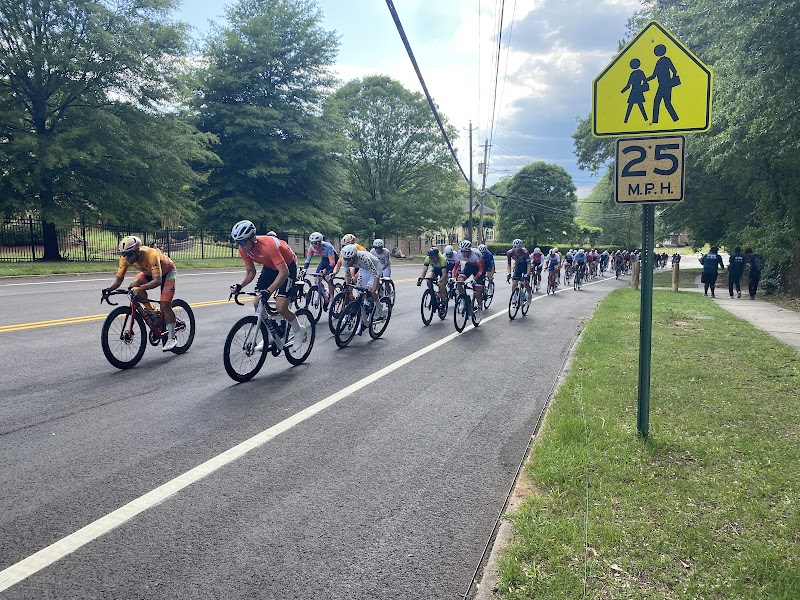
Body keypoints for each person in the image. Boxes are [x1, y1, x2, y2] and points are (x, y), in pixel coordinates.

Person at [229, 220, 308, 350]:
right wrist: (239, 286)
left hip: (287, 267)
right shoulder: (243, 249)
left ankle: (298, 330)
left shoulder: (268, 245)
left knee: (281, 307)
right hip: (270, 267)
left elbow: (284, 272)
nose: (241, 246)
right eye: (238, 242)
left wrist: (269, 290)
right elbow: (250, 272)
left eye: (243, 241)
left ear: (252, 238)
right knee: (257, 302)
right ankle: (271, 335)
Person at [104, 235, 180, 351]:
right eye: (123, 254)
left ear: (137, 251)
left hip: (167, 272)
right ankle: (151, 311)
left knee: (165, 305)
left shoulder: (151, 255)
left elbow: (158, 281)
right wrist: (109, 289)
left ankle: (172, 338)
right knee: (132, 286)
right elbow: (119, 280)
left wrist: (141, 288)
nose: (126, 257)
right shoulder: (125, 259)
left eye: (129, 254)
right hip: (149, 273)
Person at [340, 244, 385, 319]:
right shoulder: (344, 261)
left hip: (375, 268)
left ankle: (379, 306)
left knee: (370, 290)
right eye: (345, 259)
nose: (347, 262)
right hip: (364, 268)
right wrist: (349, 292)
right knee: (360, 292)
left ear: (355, 257)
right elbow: (347, 275)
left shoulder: (364, 258)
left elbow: (375, 276)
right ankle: (365, 308)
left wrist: (373, 290)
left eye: (349, 259)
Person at [302, 232, 338, 309]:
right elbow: (308, 260)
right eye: (312, 243)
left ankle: (331, 297)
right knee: (316, 279)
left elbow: (332, 263)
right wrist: (304, 269)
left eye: (316, 243)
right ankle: (324, 292)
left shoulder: (328, 247)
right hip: (324, 260)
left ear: (320, 242)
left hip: (333, 260)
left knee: (328, 277)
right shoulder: (311, 247)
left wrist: (326, 270)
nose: (314, 245)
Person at [452, 240, 485, 318]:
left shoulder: (476, 254)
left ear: (469, 250)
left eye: (465, 252)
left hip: (478, 268)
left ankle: (479, 307)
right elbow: (455, 267)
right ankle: (463, 299)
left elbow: (481, 269)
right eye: (462, 251)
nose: (463, 253)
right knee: (459, 282)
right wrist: (453, 277)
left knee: (478, 291)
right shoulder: (459, 254)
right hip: (469, 266)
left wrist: (475, 279)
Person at [506, 239, 531, 303]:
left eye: (518, 248)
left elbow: (528, 264)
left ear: (521, 248)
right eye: (515, 248)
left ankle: (529, 294)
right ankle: (514, 299)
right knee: (514, 283)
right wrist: (509, 273)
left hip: (525, 265)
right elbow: (509, 264)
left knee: (526, 283)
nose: (517, 250)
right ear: (513, 247)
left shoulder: (525, 252)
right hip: (518, 265)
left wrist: (527, 275)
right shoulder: (510, 253)